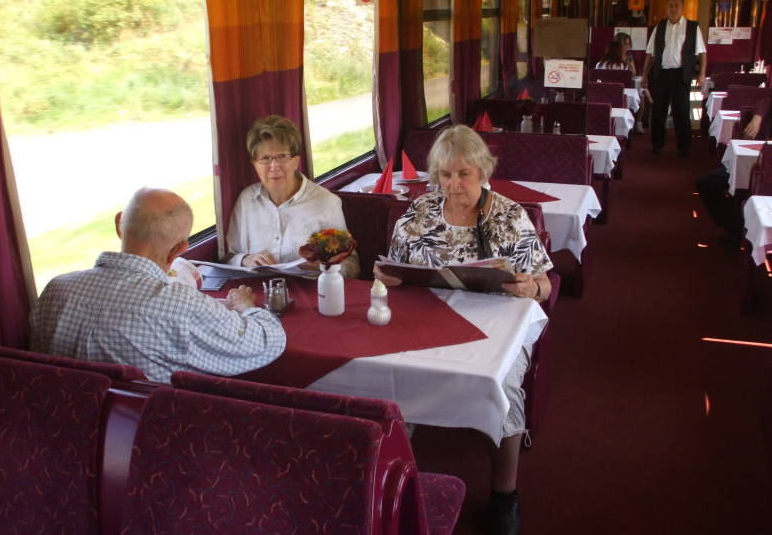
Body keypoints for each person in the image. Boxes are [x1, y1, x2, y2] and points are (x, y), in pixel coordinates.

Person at [374, 125, 552, 535]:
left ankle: (506, 494)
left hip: (499, 325)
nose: (454, 185)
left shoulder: (509, 216)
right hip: (426, 317)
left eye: (464, 174)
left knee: (505, 389)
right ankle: (395, 475)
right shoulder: (418, 215)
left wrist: (531, 287)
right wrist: (388, 276)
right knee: (389, 369)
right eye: (445, 175)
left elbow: (544, 283)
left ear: (482, 172)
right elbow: (390, 271)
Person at [30, 187, 286, 382]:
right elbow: (267, 341)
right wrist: (245, 307)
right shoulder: (179, 305)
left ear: (120, 224)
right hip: (146, 435)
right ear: (179, 250)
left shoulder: (56, 290)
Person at [226, 115, 359, 277]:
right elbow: (229, 257)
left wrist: (322, 268)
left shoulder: (326, 203)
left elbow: (352, 266)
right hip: (258, 292)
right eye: (265, 158)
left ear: (296, 161)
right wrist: (245, 259)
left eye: (282, 156)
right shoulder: (246, 200)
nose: (274, 167)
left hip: (311, 295)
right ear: (254, 164)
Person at [695, 97, 770, 248]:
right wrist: (758, 116)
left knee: (745, 190)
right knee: (707, 183)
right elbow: (766, 101)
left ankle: (736, 234)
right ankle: (733, 225)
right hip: (756, 165)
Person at [641, 0, 707, 156]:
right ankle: (657, 145)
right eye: (670, 5)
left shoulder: (692, 27)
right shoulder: (660, 26)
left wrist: (702, 74)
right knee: (658, 111)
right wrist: (644, 75)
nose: (673, 8)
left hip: (681, 75)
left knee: (682, 112)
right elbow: (650, 54)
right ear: (666, 7)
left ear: (682, 8)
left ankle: (683, 147)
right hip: (661, 74)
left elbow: (702, 53)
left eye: (677, 5)